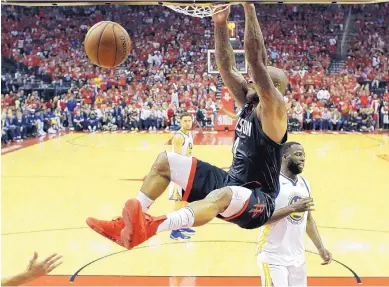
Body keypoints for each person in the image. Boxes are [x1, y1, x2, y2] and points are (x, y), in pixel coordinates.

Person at [86, 3, 288, 250]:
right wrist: (220, 24)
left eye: (255, 81)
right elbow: (226, 68)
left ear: (269, 87)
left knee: (223, 196)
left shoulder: (274, 110)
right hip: (232, 182)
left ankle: (152, 226)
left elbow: (256, 62)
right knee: (165, 162)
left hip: (259, 201)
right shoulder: (249, 101)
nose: (247, 80)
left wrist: (248, 7)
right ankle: (126, 227)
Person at [257, 142, 332, 286]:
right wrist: (292, 208)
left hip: (297, 258)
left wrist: (320, 248)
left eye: (304, 155)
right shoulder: (271, 183)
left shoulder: (304, 183)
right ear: (285, 156)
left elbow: (308, 220)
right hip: (273, 256)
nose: (303, 158)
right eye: (298, 154)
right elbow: (260, 219)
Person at [168, 112, 196, 240]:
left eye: (189, 120)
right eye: (185, 121)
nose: (188, 123)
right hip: (179, 174)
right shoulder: (179, 137)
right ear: (180, 122)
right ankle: (174, 231)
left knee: (185, 201)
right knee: (178, 203)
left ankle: (183, 224)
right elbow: (178, 159)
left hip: (187, 172)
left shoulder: (189, 134)